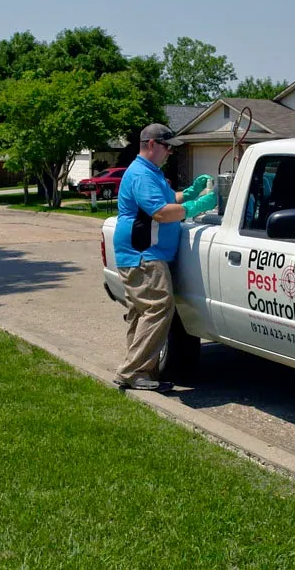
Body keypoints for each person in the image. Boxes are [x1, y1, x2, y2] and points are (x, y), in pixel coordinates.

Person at [112, 123, 217, 391]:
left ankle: (139, 371)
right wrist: (196, 206)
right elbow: (161, 212)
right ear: (151, 144)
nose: (170, 152)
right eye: (167, 146)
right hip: (145, 255)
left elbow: (170, 199)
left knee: (142, 312)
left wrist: (190, 192)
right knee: (160, 307)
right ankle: (132, 372)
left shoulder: (150, 173)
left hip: (141, 254)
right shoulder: (142, 175)